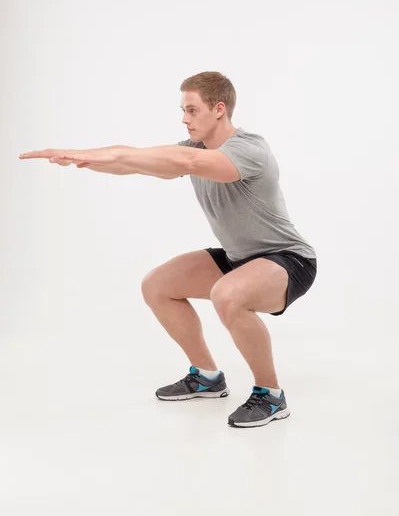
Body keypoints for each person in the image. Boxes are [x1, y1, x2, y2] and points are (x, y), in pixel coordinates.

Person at [20, 71, 317, 428]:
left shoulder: (249, 149)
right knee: (157, 285)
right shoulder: (192, 150)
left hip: (289, 261)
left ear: (219, 109)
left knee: (227, 295)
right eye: (183, 110)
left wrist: (107, 156)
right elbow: (131, 160)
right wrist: (81, 158)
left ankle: (270, 395)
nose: (184, 118)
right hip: (239, 258)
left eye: (192, 110)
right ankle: (207, 378)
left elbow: (186, 164)